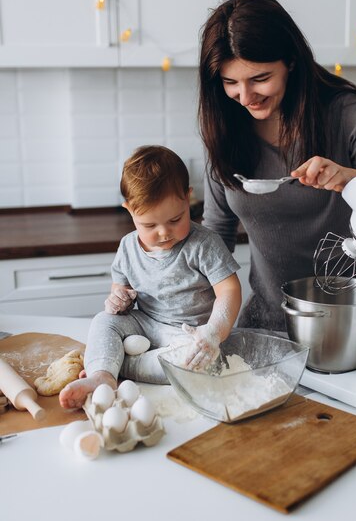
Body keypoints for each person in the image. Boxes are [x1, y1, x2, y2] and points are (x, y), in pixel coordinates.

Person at [198, 0, 356, 332]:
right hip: (266, 326)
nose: (245, 96)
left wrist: (352, 181)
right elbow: (214, 237)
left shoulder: (345, 113)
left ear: (291, 62)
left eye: (259, 79)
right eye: (230, 83)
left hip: (355, 326)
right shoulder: (225, 127)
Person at [59, 145, 241, 409]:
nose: (164, 233)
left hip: (189, 332)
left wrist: (212, 333)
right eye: (149, 225)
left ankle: (113, 364)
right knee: (104, 321)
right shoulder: (128, 247)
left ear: (188, 198)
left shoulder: (204, 244)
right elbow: (120, 288)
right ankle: (103, 375)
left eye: (176, 219)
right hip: (145, 323)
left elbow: (230, 290)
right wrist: (118, 299)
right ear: (129, 210)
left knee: (196, 362)